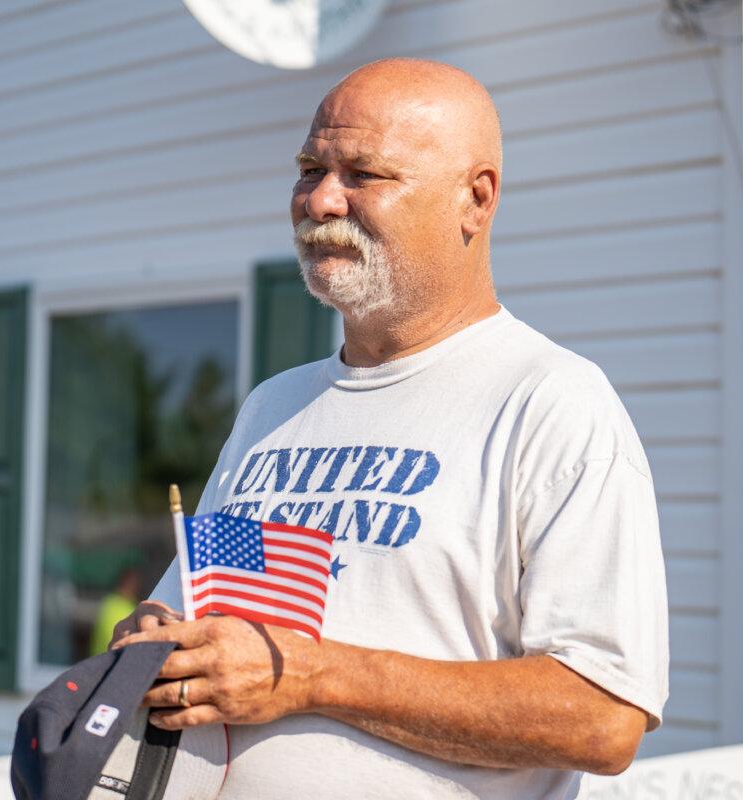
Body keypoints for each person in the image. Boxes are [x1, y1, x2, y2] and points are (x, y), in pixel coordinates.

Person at [112, 58, 669, 799]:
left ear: (475, 200)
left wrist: (307, 676)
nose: (321, 199)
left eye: (363, 174)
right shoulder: (272, 408)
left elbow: (603, 717)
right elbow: (208, 608)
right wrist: (155, 637)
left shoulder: (550, 403)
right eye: (310, 168)